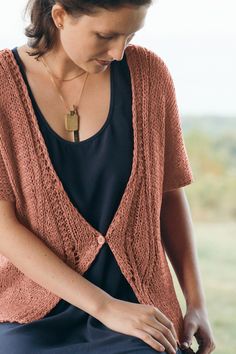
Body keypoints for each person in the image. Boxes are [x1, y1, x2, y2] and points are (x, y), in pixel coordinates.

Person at [0, 0, 216, 353]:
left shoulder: (149, 75)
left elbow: (169, 193)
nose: (118, 52)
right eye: (105, 35)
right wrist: (104, 307)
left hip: (140, 309)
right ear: (59, 16)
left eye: (130, 36)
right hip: (31, 316)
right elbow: (2, 226)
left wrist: (196, 302)